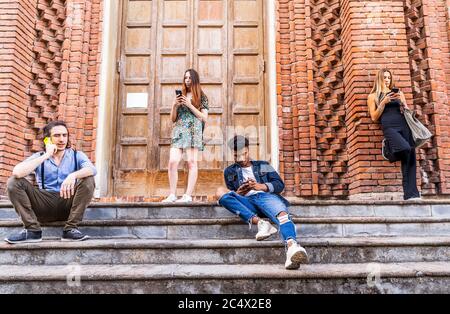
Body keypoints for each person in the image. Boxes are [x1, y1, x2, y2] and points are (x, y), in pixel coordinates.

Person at [215, 135, 308, 270]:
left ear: (248, 150)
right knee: (220, 193)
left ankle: (292, 247)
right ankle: (261, 223)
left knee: (282, 214)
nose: (240, 159)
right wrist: (239, 193)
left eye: (243, 154)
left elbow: (279, 185)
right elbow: (231, 197)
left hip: (265, 198)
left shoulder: (263, 165)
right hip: (247, 202)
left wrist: (260, 186)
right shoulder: (229, 171)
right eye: (236, 156)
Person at [5, 121, 96, 244]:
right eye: (57, 135)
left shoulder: (76, 155)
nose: (62, 139)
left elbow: (92, 169)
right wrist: (46, 155)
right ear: (48, 139)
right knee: (13, 182)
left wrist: (73, 175)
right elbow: (17, 172)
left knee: (89, 179)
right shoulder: (40, 156)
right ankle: (32, 231)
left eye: (64, 135)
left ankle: (71, 229)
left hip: (68, 203)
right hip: (44, 204)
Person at [367, 69, 421, 200]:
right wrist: (383, 103)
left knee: (410, 158)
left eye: (389, 78)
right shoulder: (372, 96)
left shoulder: (398, 93)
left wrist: (403, 101)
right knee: (405, 149)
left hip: (404, 125)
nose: (387, 80)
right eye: (384, 77)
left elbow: (407, 111)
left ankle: (411, 194)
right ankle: (390, 153)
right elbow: (374, 117)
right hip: (389, 127)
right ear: (379, 79)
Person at [162, 69, 209, 203]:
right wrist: (174, 105)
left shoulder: (202, 96)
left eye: (189, 78)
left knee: (191, 163)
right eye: (185, 78)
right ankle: (172, 194)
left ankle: (187, 195)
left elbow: (204, 117)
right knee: (172, 162)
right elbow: (173, 119)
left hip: (193, 130)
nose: (187, 80)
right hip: (179, 131)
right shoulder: (180, 95)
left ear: (194, 79)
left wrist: (189, 105)